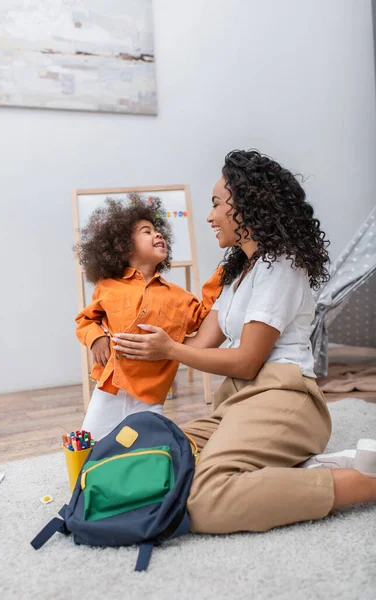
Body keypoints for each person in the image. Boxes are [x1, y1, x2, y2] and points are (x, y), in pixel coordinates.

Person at [111, 150, 376, 534]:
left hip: (284, 396)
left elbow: (248, 361)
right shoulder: (238, 273)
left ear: (249, 206)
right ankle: (287, 467)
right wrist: (142, 332)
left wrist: (169, 349)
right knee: (152, 457)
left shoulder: (280, 265)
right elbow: (200, 345)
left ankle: (365, 484)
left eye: (217, 204)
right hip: (237, 402)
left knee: (207, 500)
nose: (209, 216)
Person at [74, 194, 221, 440]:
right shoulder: (107, 286)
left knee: (151, 451)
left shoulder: (179, 297)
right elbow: (86, 320)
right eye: (146, 231)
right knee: (91, 449)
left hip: (151, 395)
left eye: (158, 231)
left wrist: (221, 278)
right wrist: (96, 339)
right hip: (110, 389)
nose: (157, 235)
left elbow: (203, 316)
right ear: (123, 246)